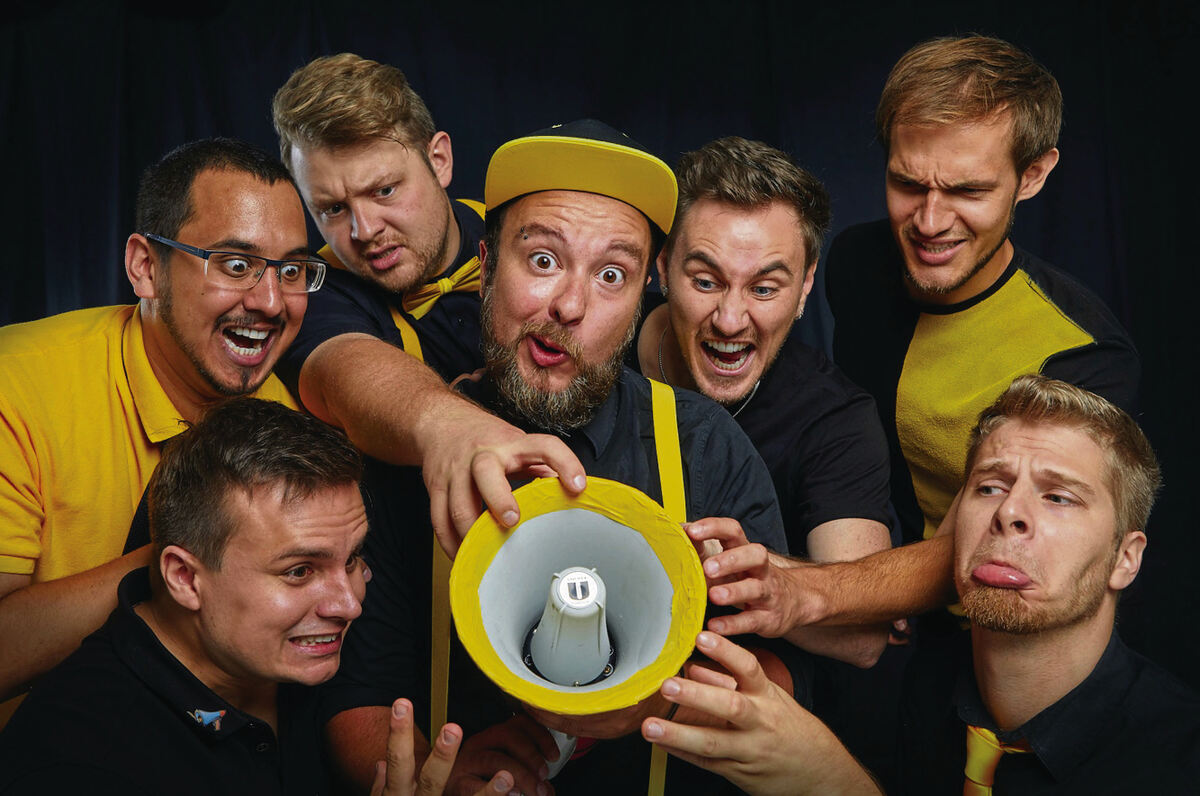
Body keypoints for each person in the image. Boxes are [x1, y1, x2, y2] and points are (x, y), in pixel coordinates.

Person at [323, 119, 793, 796]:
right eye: (543, 260)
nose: (569, 306)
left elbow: (777, 680)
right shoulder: (405, 448)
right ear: (487, 266)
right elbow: (355, 696)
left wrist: (659, 705)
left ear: (642, 297)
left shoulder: (704, 444)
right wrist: (439, 777)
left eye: (612, 275)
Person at [646, 376, 1200, 794]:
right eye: (990, 486)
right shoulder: (915, 691)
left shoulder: (1176, 759)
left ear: (1125, 559)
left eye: (1058, 497)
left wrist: (831, 781)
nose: (1009, 512)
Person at [0, 138, 315, 713]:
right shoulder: (16, 387)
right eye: (236, 265)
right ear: (145, 267)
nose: (272, 302)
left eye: (291, 270)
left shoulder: (289, 419)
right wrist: (197, 555)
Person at [825, 35, 1140, 546]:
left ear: (1032, 176)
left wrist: (814, 584)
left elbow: (1000, 545)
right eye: (908, 184)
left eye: (968, 190)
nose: (929, 223)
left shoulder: (1085, 356)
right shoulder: (856, 261)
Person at [272, 53, 586, 551]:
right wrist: (448, 425)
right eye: (332, 209)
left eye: (384, 190)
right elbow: (348, 370)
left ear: (439, 160)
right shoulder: (311, 288)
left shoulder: (526, 237)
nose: (363, 230)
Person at [635, 136, 892, 668]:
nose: (730, 320)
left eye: (765, 289)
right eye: (706, 281)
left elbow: (863, 638)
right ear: (662, 266)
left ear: (805, 286)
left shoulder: (835, 419)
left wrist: (743, 572)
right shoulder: (599, 335)